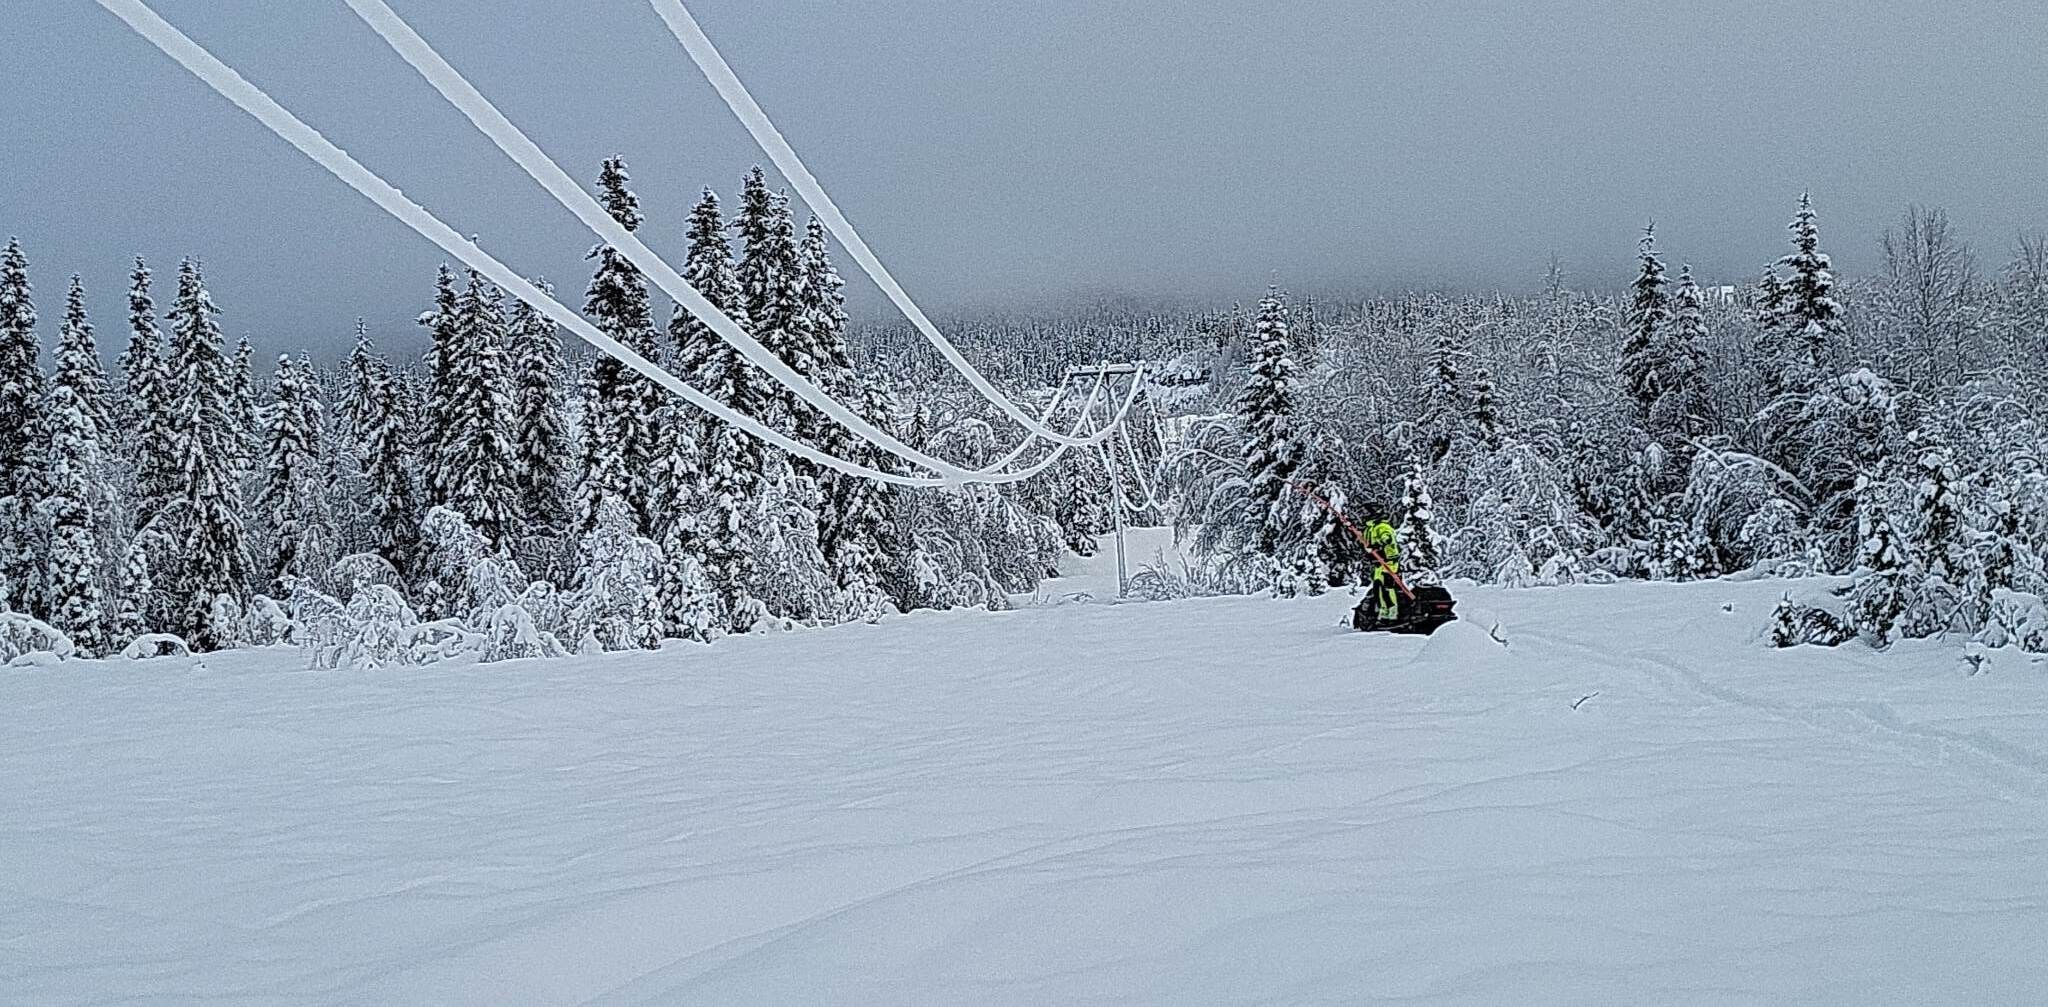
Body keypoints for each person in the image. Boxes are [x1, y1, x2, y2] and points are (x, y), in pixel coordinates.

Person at [1356, 499, 1402, 624]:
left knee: (1387, 587)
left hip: (1388, 562)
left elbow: (1388, 539)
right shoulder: (1369, 529)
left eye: (1366, 512)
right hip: (1377, 563)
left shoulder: (1382, 527)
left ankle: (1392, 612)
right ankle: (1383, 612)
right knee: (1377, 587)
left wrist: (1378, 545)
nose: (1363, 515)